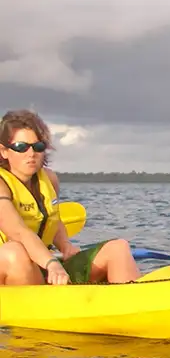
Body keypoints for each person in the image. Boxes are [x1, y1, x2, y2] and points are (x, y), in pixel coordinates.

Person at [0, 109, 141, 285]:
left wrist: (65, 245)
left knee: (118, 248)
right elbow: (18, 232)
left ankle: (131, 307)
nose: (31, 154)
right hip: (15, 267)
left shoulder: (49, 180)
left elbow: (54, 220)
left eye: (38, 147)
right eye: (21, 147)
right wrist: (51, 263)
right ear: (4, 151)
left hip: (44, 264)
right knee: (14, 253)